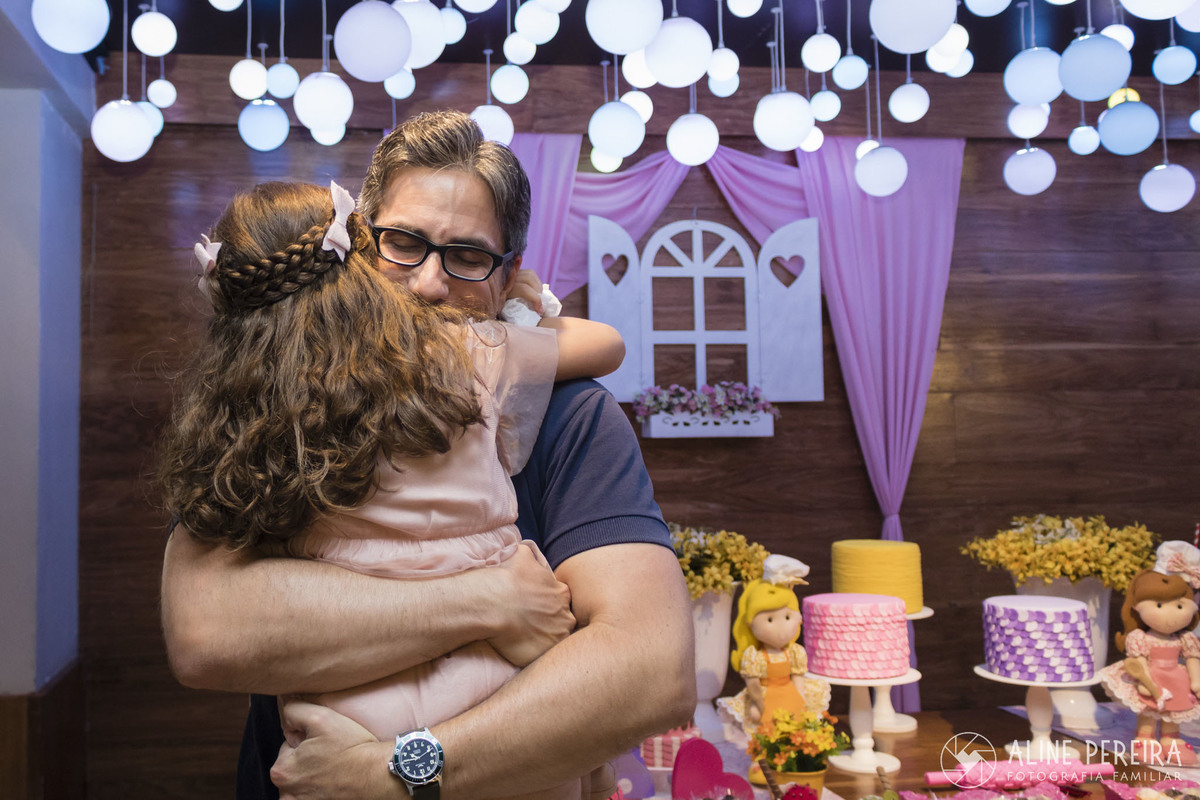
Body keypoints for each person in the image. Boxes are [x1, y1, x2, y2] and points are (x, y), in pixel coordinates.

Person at [159, 110, 696, 800]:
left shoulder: (571, 414)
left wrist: (400, 772)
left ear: (508, 276)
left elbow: (651, 667)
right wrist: (486, 599)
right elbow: (206, 629)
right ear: (357, 248)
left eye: (469, 256)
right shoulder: (290, 394)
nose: (430, 285)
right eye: (403, 243)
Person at [1100, 568, 1200, 766]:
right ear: (1137, 607)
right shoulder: (1140, 638)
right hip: (1153, 677)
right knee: (1149, 709)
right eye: (1160, 605)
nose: (1170, 614)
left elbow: (1192, 659)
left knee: (1174, 711)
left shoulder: (1185, 638)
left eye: (1180, 606)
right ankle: (1145, 738)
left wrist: (1196, 680)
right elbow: (1139, 662)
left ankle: (1171, 739)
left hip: (1176, 680)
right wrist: (1145, 680)